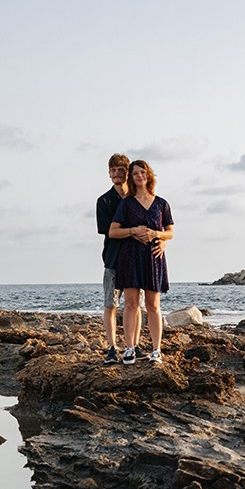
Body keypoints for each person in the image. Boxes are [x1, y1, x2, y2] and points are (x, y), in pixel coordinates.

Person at [108, 160, 174, 365]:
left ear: (149, 175)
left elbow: (170, 232)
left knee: (153, 305)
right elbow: (112, 232)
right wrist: (132, 231)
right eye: (135, 173)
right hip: (130, 257)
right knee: (131, 303)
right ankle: (130, 348)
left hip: (154, 257)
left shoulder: (161, 203)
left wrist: (158, 235)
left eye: (142, 172)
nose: (139, 176)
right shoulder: (126, 204)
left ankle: (156, 350)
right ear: (131, 177)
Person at [95, 153, 140, 364]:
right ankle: (112, 348)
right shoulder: (103, 201)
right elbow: (109, 231)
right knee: (110, 305)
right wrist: (132, 230)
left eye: (120, 170)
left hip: (135, 259)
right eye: (112, 170)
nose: (116, 174)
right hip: (113, 259)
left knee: (134, 305)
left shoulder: (138, 197)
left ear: (127, 172)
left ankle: (135, 345)